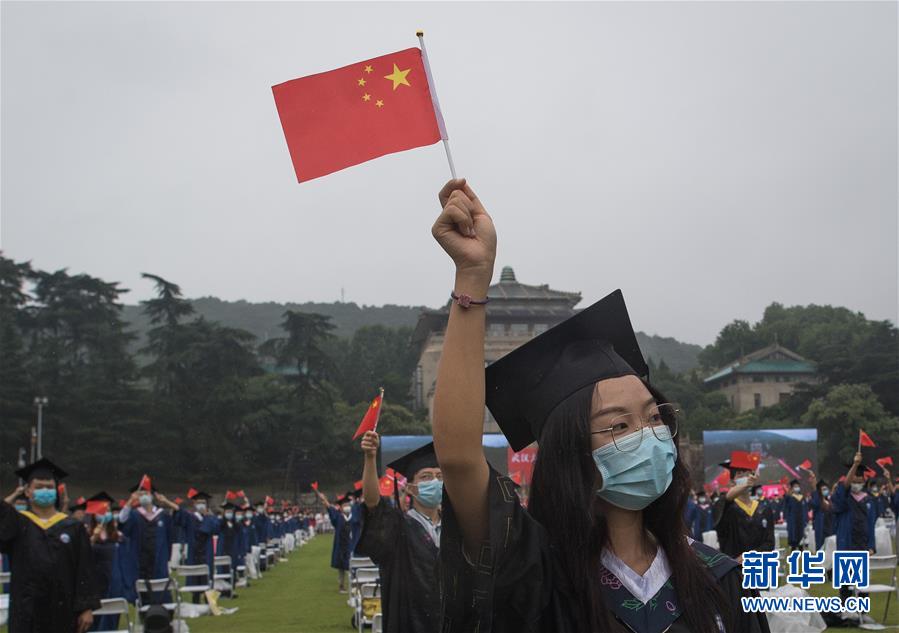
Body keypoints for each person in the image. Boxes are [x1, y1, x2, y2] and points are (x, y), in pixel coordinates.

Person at [428, 178, 770, 633]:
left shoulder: (716, 577)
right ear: (571, 451)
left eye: (654, 418)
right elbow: (457, 459)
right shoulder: (538, 574)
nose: (649, 436)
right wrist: (472, 277)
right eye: (618, 426)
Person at [355, 433, 442, 633]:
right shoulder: (397, 527)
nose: (435, 482)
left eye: (440, 476)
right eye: (426, 477)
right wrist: (370, 457)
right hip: (409, 621)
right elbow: (373, 503)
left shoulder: (456, 529)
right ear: (410, 488)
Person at [0, 458, 99, 633]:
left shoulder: (73, 527)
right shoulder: (18, 524)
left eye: (49, 487)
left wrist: (86, 607)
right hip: (27, 608)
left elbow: (84, 568)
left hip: (64, 608)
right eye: (39, 487)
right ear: (28, 491)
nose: (45, 491)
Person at [117, 477, 179, 604]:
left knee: (160, 591)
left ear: (152, 495)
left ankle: (161, 612)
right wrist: (130, 501)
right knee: (142, 593)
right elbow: (122, 520)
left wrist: (165, 501)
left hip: (159, 559)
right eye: (141, 494)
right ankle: (144, 611)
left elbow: (171, 534)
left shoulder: (163, 515)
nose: (144, 496)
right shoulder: (134, 515)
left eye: (146, 493)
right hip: (140, 560)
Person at [830, 453, 878, 603]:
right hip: (846, 544)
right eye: (854, 480)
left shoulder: (868, 500)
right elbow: (844, 487)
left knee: (862, 584)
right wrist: (855, 464)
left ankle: (862, 612)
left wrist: (871, 546)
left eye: (859, 480)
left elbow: (871, 525)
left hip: (862, 546)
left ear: (864, 480)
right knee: (845, 584)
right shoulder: (843, 497)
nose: (856, 483)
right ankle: (846, 609)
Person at [712, 451, 775, 562]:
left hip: (757, 565)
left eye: (748, 473)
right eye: (740, 474)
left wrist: (749, 557)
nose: (746, 477)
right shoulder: (724, 508)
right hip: (733, 566)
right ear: (732, 482)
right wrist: (745, 484)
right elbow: (727, 498)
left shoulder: (764, 509)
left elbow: (769, 543)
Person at [87, 492, 134, 631]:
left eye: (108, 509)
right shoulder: (85, 533)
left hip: (113, 582)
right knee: (93, 621)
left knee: (112, 618)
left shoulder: (117, 536)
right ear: (94, 514)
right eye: (102, 510)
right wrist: (93, 538)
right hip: (94, 582)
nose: (106, 513)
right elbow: (81, 555)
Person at [315, 488, 357, 592]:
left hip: (351, 545)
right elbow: (330, 508)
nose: (347, 507)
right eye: (344, 505)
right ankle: (341, 586)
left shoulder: (354, 517)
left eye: (348, 504)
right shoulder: (338, 517)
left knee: (352, 566)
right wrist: (324, 499)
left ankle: (354, 586)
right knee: (341, 568)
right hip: (340, 546)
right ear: (341, 508)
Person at [808, 472, 833, 552]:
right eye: (823, 489)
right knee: (820, 547)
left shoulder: (831, 501)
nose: (825, 491)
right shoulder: (818, 501)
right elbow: (815, 490)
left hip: (830, 527)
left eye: (826, 489)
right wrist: (813, 479)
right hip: (820, 527)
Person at [782, 479, 807, 551]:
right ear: (792, 488)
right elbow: (785, 505)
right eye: (795, 486)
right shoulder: (790, 498)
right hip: (793, 520)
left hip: (801, 520)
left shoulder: (802, 498)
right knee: (793, 535)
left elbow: (805, 509)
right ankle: (793, 548)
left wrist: (806, 519)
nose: (797, 488)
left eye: (798, 486)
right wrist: (786, 491)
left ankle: (801, 549)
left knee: (801, 534)